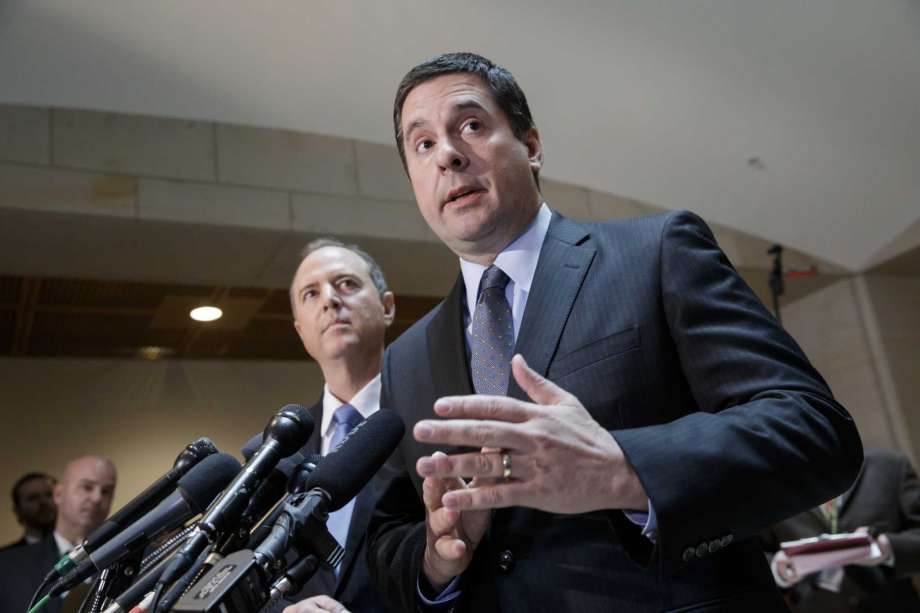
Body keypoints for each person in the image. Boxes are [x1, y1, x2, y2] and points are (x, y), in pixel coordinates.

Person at [366, 52, 864, 612]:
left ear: (531, 146)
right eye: (423, 144)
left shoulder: (657, 253)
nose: (449, 156)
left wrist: (626, 469)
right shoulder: (404, 359)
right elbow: (387, 538)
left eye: (472, 126)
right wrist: (437, 558)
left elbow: (816, 431)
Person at [272, 238, 399, 613]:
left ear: (387, 307)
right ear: (300, 331)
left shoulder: (429, 423)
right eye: (311, 294)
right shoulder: (279, 453)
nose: (329, 300)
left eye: (346, 284)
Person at [764, 448, 920, 612]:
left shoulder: (890, 465)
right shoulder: (771, 488)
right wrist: (778, 570)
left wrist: (887, 548)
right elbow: (753, 558)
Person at [0, 455, 116, 613]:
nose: (97, 498)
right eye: (87, 487)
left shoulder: (126, 561)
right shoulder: (8, 566)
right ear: (58, 495)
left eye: (106, 491)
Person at [0, 471, 57, 550]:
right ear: (18, 510)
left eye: (49, 494)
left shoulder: (78, 547)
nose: (43, 501)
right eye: (33, 498)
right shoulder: (5, 557)